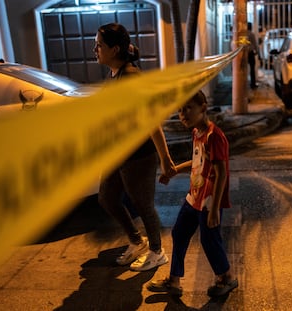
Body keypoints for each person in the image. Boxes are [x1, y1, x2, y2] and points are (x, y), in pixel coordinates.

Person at [94, 22, 176, 271]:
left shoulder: (130, 77)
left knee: (143, 204)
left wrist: (165, 158)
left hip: (138, 155)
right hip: (117, 152)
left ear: (115, 49)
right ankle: (135, 241)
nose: (94, 49)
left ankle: (157, 251)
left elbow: (152, 120)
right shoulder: (114, 73)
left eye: (99, 45)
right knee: (107, 198)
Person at [147, 90, 238, 297]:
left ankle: (226, 278)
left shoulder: (215, 136)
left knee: (209, 240)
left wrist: (215, 209)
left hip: (208, 199)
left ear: (203, 108)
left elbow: (221, 172)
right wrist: (174, 170)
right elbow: (198, 163)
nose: (183, 114)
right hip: (194, 195)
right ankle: (174, 281)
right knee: (179, 232)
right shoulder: (197, 133)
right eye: (179, 110)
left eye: (188, 108)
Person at [247, 22, 259, 89]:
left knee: (243, 70)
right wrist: (256, 51)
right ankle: (253, 84)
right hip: (250, 53)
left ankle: (243, 84)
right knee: (252, 69)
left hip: (244, 53)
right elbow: (254, 43)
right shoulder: (251, 34)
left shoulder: (244, 34)